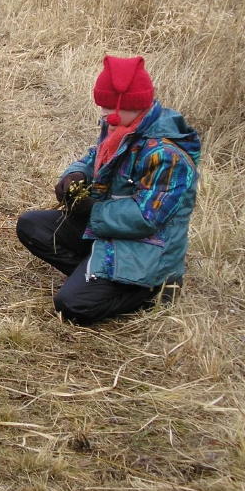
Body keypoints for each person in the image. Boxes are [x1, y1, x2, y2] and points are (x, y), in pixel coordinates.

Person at [16, 55, 201, 325]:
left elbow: (147, 218)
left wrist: (93, 210)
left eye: (107, 105)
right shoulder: (122, 126)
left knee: (72, 305)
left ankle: (149, 291)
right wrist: (75, 174)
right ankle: (96, 273)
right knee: (31, 226)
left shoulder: (166, 154)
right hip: (108, 229)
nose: (102, 112)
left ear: (132, 104)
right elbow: (94, 159)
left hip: (146, 247)